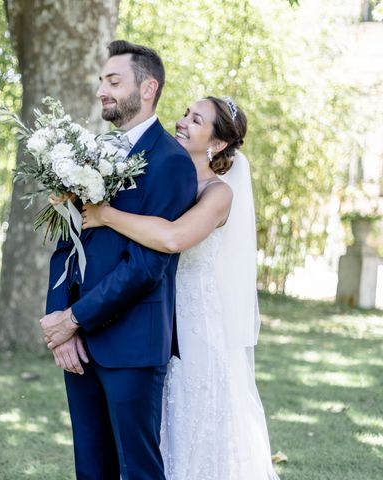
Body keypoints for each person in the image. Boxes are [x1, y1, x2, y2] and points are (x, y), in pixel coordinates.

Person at [82, 96, 280, 479]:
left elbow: (173, 239)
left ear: (218, 143)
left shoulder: (218, 193)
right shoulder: (159, 174)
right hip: (150, 313)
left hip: (194, 325)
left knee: (190, 421)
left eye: (196, 120)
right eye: (186, 114)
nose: (182, 121)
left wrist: (105, 215)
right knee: (148, 431)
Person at [38, 40, 197, 478]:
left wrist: (75, 318)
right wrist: (60, 326)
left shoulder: (170, 162)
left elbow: (146, 267)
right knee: (91, 468)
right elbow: (65, 244)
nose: (101, 91)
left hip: (132, 343)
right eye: (101, 81)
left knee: (139, 469)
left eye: (113, 81)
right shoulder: (90, 155)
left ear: (148, 88)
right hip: (78, 342)